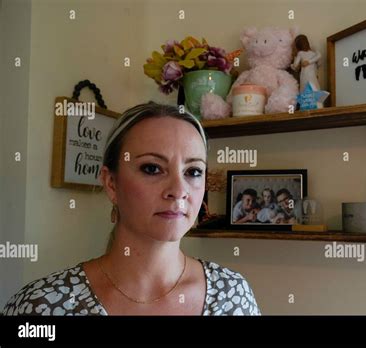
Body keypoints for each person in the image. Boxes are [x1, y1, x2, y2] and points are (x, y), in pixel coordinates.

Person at [2, 102, 260, 316]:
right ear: (111, 183)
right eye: (152, 168)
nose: (178, 190)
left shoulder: (232, 296)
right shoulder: (41, 307)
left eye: (193, 171)